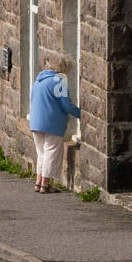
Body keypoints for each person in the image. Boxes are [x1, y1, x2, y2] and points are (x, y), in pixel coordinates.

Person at [28, 56, 81, 193]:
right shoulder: (58, 82)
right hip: (52, 122)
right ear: (63, 69)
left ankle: (38, 182)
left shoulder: (38, 81)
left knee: (41, 153)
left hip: (35, 122)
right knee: (51, 152)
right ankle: (45, 185)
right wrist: (82, 115)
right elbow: (66, 105)